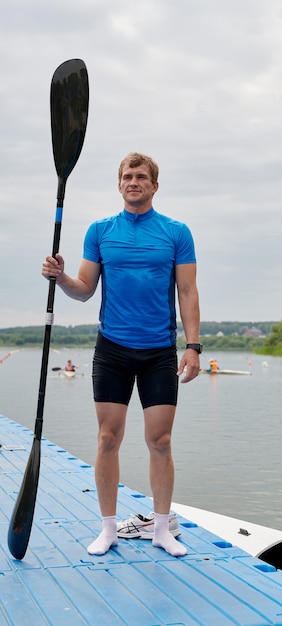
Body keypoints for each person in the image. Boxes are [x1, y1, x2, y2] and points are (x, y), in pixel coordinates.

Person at [42, 152, 201, 558]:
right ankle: (109, 529)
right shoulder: (100, 231)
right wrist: (60, 277)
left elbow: (187, 292)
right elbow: (83, 289)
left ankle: (162, 529)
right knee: (107, 438)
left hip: (159, 351)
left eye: (141, 176)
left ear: (154, 185)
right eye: (127, 176)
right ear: (119, 185)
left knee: (160, 440)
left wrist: (193, 346)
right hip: (112, 349)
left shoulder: (176, 232)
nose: (134, 181)